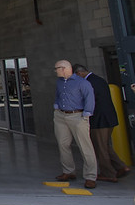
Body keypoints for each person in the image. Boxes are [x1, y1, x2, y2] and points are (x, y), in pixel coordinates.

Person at [73, 64, 128, 182]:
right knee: (104, 145)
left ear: (79, 73)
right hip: (109, 118)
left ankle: (108, 173)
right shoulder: (99, 79)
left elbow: (87, 101)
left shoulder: (88, 83)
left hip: (99, 119)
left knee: (100, 147)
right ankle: (120, 166)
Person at [53, 60, 97, 189]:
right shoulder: (60, 82)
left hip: (77, 115)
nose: (55, 71)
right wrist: (56, 106)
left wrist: (87, 114)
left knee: (85, 146)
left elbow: (89, 98)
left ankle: (90, 176)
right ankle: (68, 171)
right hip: (61, 115)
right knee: (63, 144)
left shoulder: (82, 83)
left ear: (65, 68)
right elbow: (58, 95)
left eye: (57, 68)